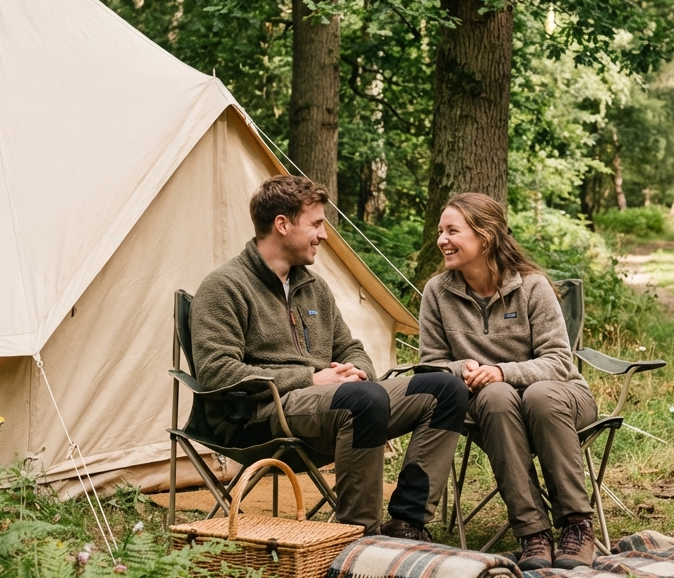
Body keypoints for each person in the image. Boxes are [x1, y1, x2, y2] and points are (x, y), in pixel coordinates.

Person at [191, 174, 469, 539]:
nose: (323, 234)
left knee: (446, 389)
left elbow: (348, 346)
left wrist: (358, 369)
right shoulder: (225, 286)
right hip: (259, 416)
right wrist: (310, 379)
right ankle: (358, 536)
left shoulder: (313, 286)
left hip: (334, 404)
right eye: (317, 224)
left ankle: (406, 522)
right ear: (282, 224)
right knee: (363, 400)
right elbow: (216, 372)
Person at [418, 193, 599, 569]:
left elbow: (559, 361)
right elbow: (431, 365)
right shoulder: (437, 292)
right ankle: (533, 532)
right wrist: (462, 368)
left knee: (539, 396)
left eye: (453, 230)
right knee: (497, 396)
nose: (442, 240)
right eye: (440, 231)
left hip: (559, 399)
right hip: (492, 409)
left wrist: (504, 370)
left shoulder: (532, 286)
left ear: (485, 237)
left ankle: (576, 524)